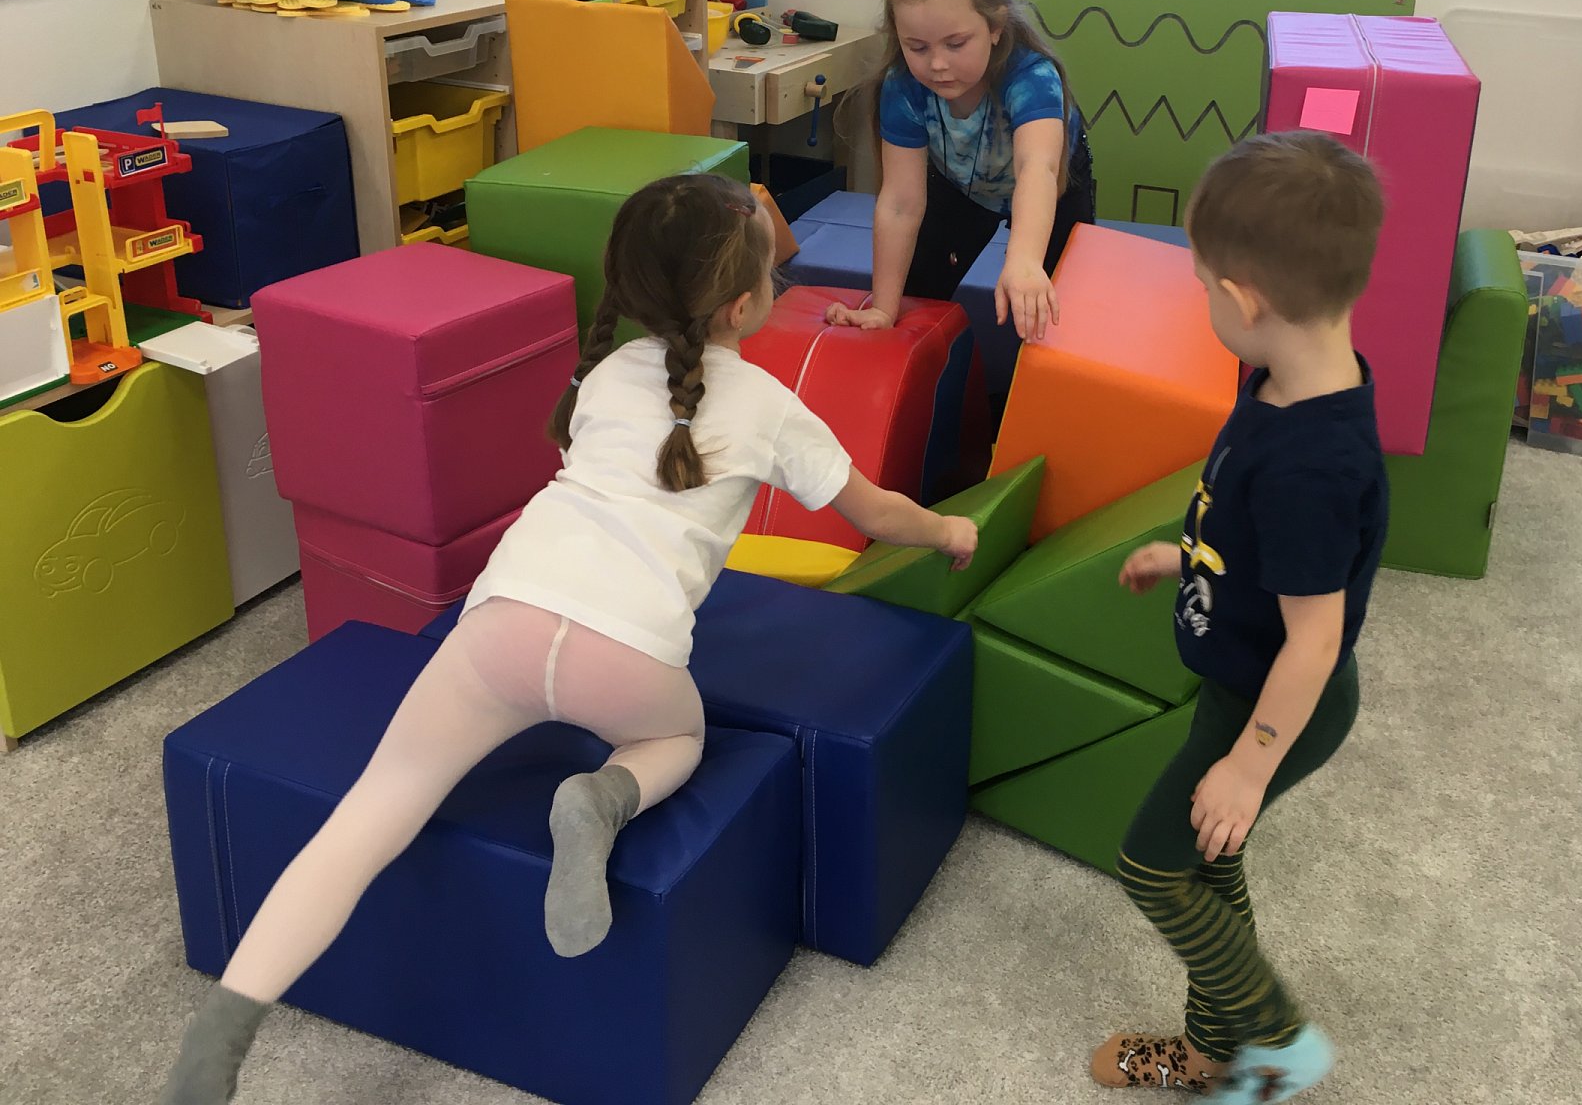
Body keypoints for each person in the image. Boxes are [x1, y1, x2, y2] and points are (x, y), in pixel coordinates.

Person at [160, 174, 978, 1105]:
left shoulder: (606, 373)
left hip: (503, 619)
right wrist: (950, 531)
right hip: (626, 656)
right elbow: (876, 513)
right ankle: (604, 795)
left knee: (373, 810)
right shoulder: (769, 405)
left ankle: (224, 1031)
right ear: (744, 305)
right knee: (678, 737)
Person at [1094, 133, 1387, 1102]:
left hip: (1279, 700)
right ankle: (1211, 1054)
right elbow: (1262, 537)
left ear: (1241, 299)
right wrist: (1190, 555)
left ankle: (1279, 1043)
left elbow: (1315, 637)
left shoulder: (1314, 465)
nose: (1202, 300)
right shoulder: (1285, 381)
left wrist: (1250, 764)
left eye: (1200, 286)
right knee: (1209, 866)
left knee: (1151, 866)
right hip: (1242, 679)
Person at [827, 0, 1096, 344]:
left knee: (1054, 310)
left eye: (956, 44)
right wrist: (883, 307)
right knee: (917, 292)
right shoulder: (903, 88)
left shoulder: (1031, 77)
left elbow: (1037, 168)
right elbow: (900, 204)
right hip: (958, 184)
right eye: (917, 47)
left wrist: (1025, 261)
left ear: (995, 26)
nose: (937, 64)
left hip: (1053, 187)